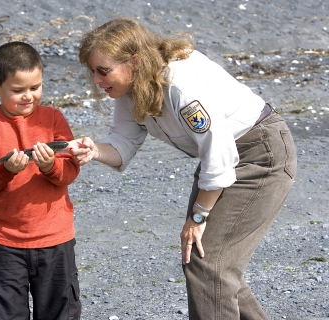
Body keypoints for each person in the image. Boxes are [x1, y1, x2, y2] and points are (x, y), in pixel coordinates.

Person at [70, 18, 297, 319]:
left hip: (261, 155)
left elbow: (218, 154)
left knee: (209, 263)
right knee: (211, 263)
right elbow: (123, 142)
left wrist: (198, 216)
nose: (96, 80)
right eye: (92, 71)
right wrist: (96, 150)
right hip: (225, 159)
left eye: (103, 70)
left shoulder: (179, 85)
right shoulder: (129, 88)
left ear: (134, 61)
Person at [0, 41, 81, 320]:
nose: (28, 96)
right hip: (1, 243)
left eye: (35, 87)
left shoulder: (54, 119)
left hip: (55, 239)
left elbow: (69, 172)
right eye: (18, 90)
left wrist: (49, 165)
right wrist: (5, 171)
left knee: (60, 313)